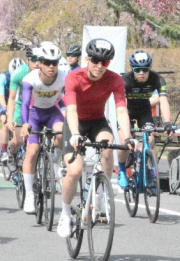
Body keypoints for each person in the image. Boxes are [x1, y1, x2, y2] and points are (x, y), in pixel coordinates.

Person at [58, 38, 131, 238]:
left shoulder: (115, 80)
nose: (99, 66)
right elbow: (71, 110)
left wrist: (128, 137)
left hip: (98, 121)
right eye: (95, 60)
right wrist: (75, 134)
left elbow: (121, 110)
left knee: (108, 147)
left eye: (104, 62)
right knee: (75, 170)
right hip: (75, 123)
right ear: (87, 59)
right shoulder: (74, 78)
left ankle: (102, 194)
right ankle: (65, 214)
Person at [20, 42, 66, 214]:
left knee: (61, 133)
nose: (51, 66)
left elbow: (67, 99)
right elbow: (25, 103)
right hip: (34, 114)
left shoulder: (64, 77)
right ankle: (29, 194)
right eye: (47, 62)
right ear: (39, 63)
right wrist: (25, 123)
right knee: (32, 151)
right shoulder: (30, 79)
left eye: (55, 63)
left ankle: (54, 162)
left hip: (52, 112)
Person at [118, 49, 171, 188]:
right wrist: (128, 133)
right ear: (132, 69)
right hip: (127, 111)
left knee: (151, 140)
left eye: (145, 69)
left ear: (150, 68)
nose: (141, 73)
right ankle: (122, 169)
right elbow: (122, 107)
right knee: (124, 141)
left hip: (144, 111)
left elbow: (163, 101)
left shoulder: (157, 79)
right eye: (137, 70)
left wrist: (167, 123)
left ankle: (151, 171)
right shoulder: (125, 80)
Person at [6, 46, 39, 164]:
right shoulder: (19, 73)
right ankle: (11, 151)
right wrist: (10, 119)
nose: (37, 63)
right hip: (20, 107)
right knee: (19, 140)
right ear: (27, 60)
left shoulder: (45, 72)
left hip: (37, 108)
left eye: (39, 59)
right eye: (33, 59)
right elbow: (12, 98)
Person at [0, 57, 23, 162]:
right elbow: (1, 96)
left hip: (17, 100)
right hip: (5, 99)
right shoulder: (3, 77)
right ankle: (3, 151)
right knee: (5, 122)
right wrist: (5, 109)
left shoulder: (25, 75)